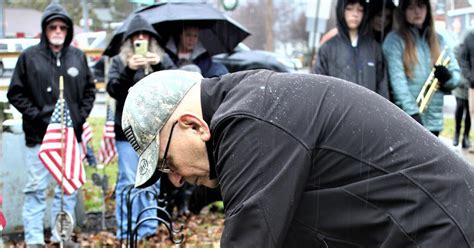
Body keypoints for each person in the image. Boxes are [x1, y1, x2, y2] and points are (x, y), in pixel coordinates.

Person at [121, 69, 474, 247]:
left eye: (167, 163)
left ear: (192, 125)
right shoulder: (254, 105)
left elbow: (251, 237)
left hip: (442, 227)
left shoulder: (250, 121)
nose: (176, 179)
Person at [6, 2, 96, 247]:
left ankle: (62, 236)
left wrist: (79, 117)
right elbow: (15, 93)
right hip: (38, 138)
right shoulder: (29, 57)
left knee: (67, 190)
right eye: (52, 26)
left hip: (70, 137)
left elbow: (90, 91)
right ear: (44, 29)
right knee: (36, 189)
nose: (58, 30)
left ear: (68, 31)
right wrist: (38, 115)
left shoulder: (78, 57)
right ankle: (34, 240)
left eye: (62, 27)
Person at [105, 14, 175, 241]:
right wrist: (127, 69)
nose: (141, 38)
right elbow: (113, 89)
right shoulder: (118, 61)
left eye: (145, 35)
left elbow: (176, 85)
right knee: (127, 181)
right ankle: (125, 230)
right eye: (137, 36)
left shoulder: (161, 59)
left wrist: (159, 65)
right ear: (129, 40)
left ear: (152, 39)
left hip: (154, 130)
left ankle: (147, 229)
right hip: (126, 131)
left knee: (151, 181)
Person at [382, 0, 461, 136]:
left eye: (421, 5)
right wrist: (413, 115)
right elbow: (398, 84)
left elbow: (457, 76)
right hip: (408, 121)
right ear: (403, 11)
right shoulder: (395, 41)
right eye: (411, 7)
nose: (417, 11)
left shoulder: (439, 40)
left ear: (427, 10)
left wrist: (448, 78)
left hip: (434, 122)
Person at [314, 0, 389, 99]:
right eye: (349, 9)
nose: (355, 14)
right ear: (341, 10)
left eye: (360, 10)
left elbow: (382, 87)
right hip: (337, 112)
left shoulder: (374, 48)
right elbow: (319, 89)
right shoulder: (327, 48)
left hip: (369, 111)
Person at [458, 29, 474, 152]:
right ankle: (464, 137)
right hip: (473, 84)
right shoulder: (470, 37)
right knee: (472, 112)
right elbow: (463, 60)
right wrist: (470, 77)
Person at [452, 44, 471, 148]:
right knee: (459, 108)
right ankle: (456, 134)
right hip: (460, 86)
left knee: (469, 112)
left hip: (471, 86)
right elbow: (455, 67)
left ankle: (466, 138)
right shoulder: (458, 49)